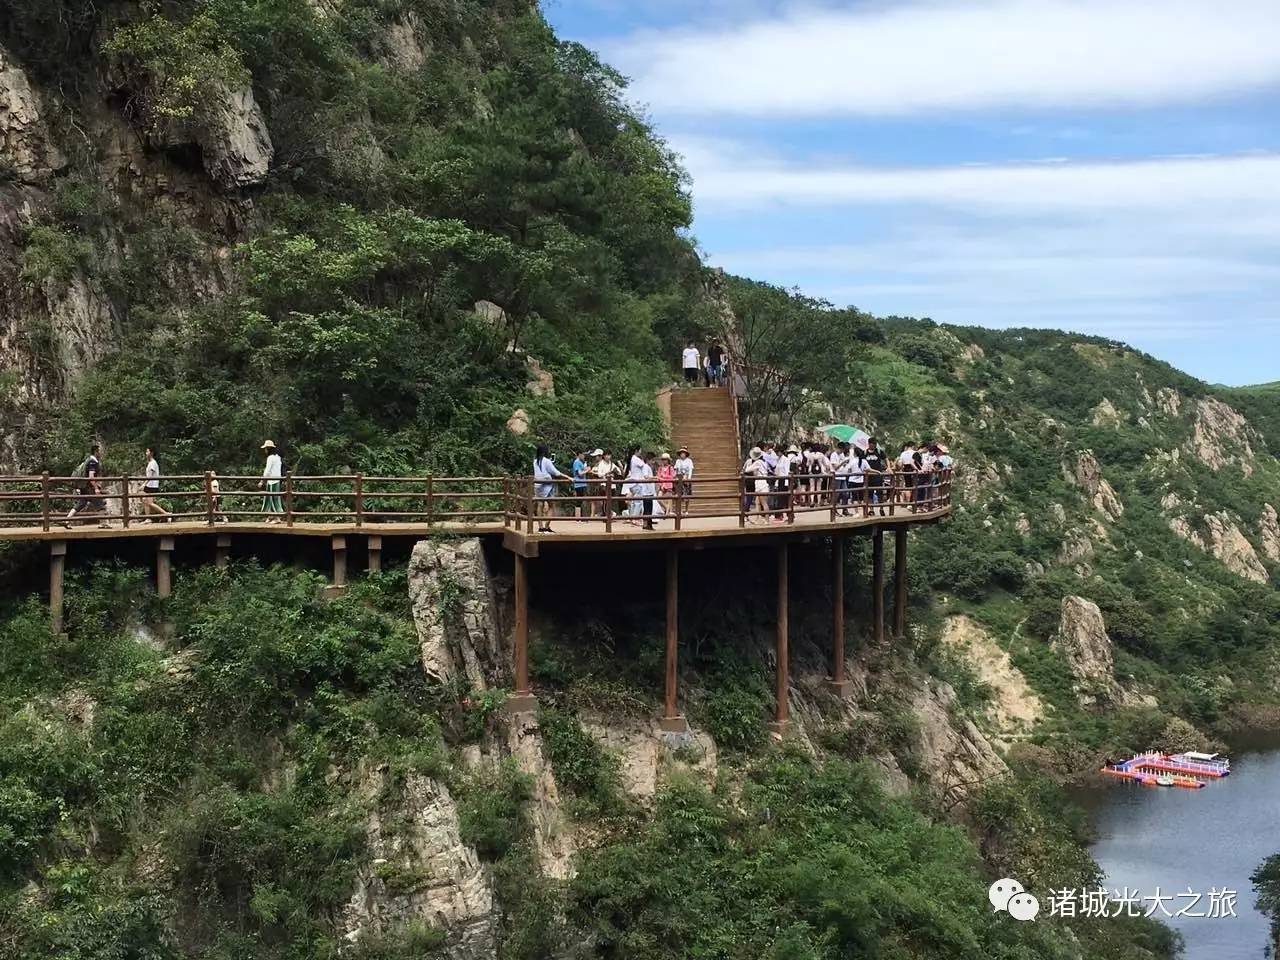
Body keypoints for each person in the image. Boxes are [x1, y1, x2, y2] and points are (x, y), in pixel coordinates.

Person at [65, 442, 110, 529]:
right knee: (100, 504)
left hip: (84, 486)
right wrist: (96, 488)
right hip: (89, 487)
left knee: (81, 503)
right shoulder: (92, 462)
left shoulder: (89, 460)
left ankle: (67, 520)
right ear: (96, 452)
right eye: (100, 451)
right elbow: (91, 476)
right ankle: (104, 523)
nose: (101, 453)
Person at [533, 444, 567, 533]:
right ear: (545, 452)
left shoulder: (535, 461)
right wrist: (568, 477)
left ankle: (540, 527)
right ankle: (546, 526)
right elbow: (556, 472)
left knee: (540, 505)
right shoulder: (547, 461)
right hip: (547, 485)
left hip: (537, 485)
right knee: (551, 505)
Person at [140, 447, 169, 522]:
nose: (146, 453)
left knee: (150, 503)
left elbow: (150, 476)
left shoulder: (153, 463)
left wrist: (144, 484)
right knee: (144, 500)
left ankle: (166, 514)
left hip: (152, 485)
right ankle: (148, 518)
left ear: (151, 453)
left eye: (147, 451)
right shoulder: (150, 462)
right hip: (149, 485)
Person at [742, 447, 770, 523]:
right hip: (760, 483)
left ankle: (767, 520)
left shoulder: (758, 462)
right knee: (758, 502)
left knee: (763, 503)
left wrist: (748, 465)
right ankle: (758, 518)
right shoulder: (764, 462)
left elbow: (748, 469)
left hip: (760, 483)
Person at [260, 440, 284, 522]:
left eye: (265, 448)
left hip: (272, 481)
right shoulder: (278, 457)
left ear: (268, 449)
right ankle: (270, 516)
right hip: (276, 480)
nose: (265, 450)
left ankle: (277, 518)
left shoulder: (270, 458)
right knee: (270, 499)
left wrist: (262, 481)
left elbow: (267, 471)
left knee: (273, 499)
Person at [674, 447, 694, 514]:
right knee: (679, 494)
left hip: (686, 478)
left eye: (683, 453)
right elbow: (676, 470)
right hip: (679, 478)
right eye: (681, 453)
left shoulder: (689, 461)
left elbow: (690, 469)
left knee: (687, 495)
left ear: (686, 454)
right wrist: (675, 476)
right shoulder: (678, 461)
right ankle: (679, 509)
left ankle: (686, 510)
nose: (682, 454)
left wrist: (689, 478)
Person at [571, 450, 590, 520]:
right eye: (583, 454)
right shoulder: (577, 462)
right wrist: (587, 471)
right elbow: (579, 473)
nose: (584, 456)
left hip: (582, 484)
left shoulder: (581, 462)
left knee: (581, 500)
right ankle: (578, 517)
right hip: (579, 484)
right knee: (579, 500)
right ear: (579, 454)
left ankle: (580, 517)